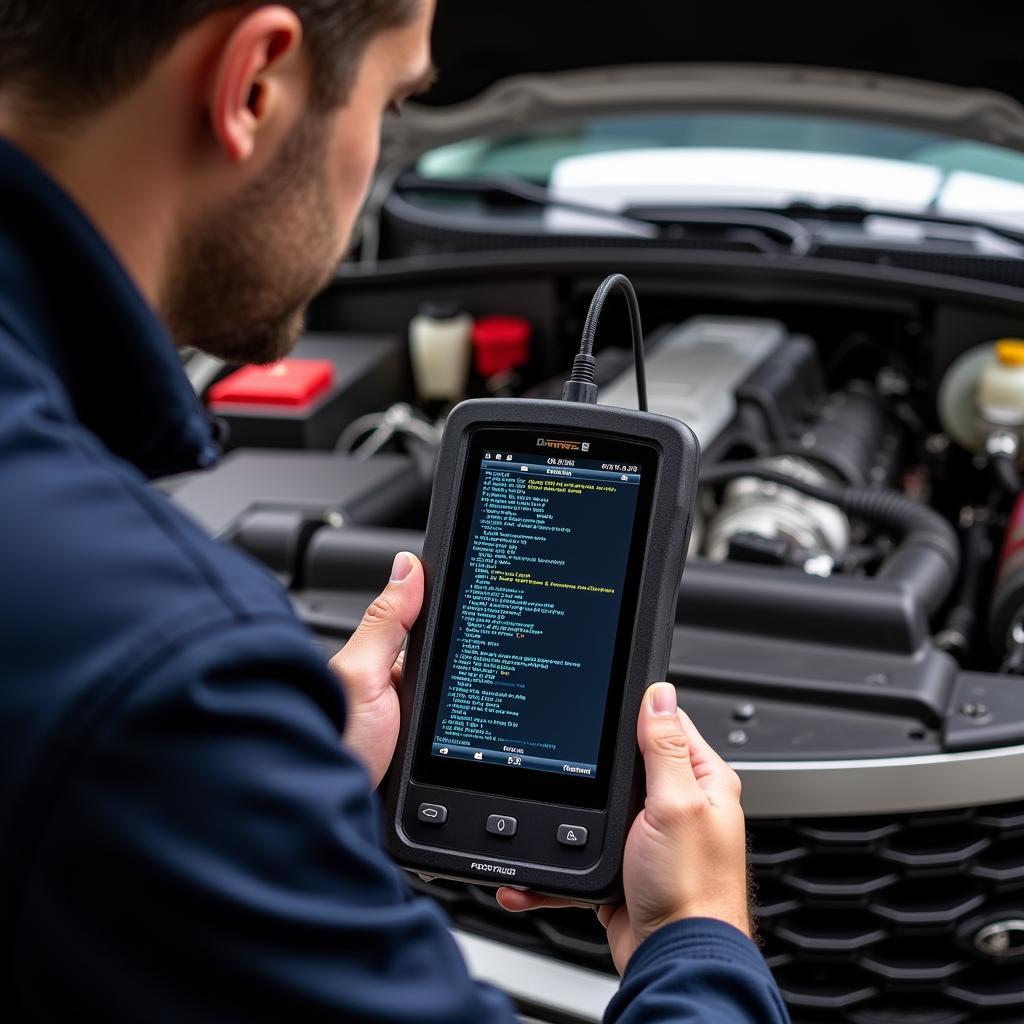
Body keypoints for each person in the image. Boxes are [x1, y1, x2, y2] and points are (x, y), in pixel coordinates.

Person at [0, 2, 789, 1021]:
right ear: (254, 85)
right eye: (397, 97)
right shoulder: (158, 667)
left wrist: (282, 788)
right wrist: (700, 936)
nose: (379, 146)